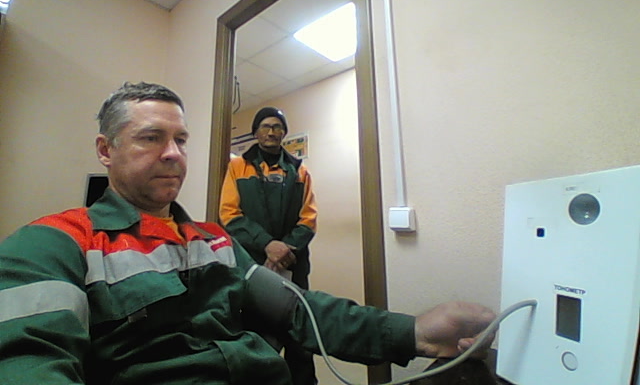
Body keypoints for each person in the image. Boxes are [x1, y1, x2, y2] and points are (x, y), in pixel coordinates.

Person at [0, 81, 496, 385]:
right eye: (151, 138)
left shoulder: (214, 242)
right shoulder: (54, 243)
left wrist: (414, 332)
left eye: (181, 140)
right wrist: (267, 243)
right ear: (105, 150)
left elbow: (302, 311)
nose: (174, 154)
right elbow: (29, 361)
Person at [219, 106, 317, 384]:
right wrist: (266, 245)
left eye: (277, 127)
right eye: (266, 126)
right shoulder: (237, 167)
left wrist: (284, 249)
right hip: (254, 266)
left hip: (293, 265)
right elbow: (229, 215)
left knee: (299, 337)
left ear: (284, 133)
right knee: (257, 338)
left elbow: (308, 220)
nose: (272, 132)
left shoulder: (300, 171)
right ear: (256, 132)